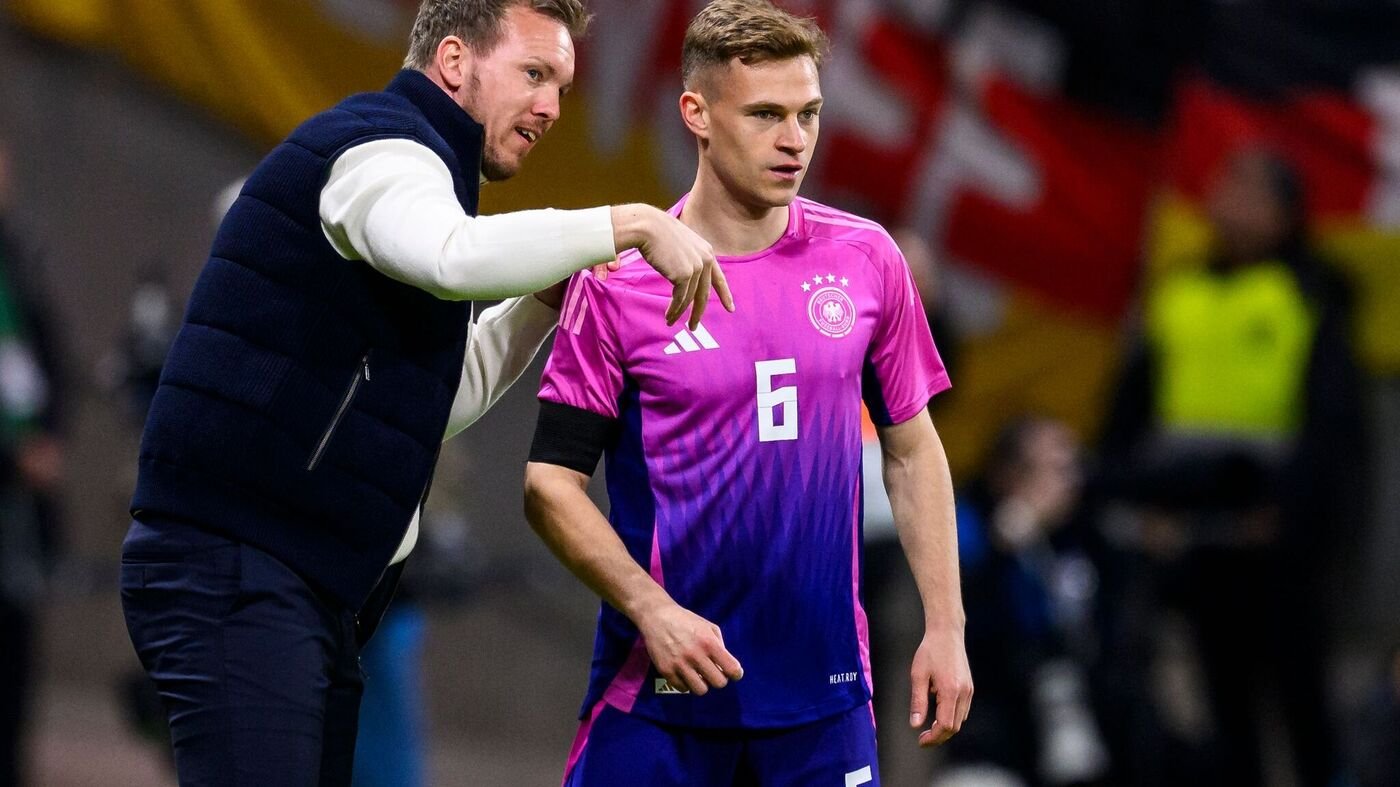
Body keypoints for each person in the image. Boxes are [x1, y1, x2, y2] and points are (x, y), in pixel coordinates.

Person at [119, 1, 737, 784]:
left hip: (299, 586)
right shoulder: (383, 150)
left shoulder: (428, 178)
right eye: (534, 73)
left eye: (560, 86)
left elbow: (430, 405)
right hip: (241, 570)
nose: (551, 106)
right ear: (452, 62)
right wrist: (629, 221)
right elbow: (451, 257)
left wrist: (542, 300)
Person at [522, 2, 972, 784]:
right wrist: (652, 609)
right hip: (658, 703)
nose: (794, 139)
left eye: (809, 114)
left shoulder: (868, 260)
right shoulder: (618, 282)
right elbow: (549, 485)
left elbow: (912, 448)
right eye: (765, 114)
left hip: (824, 706)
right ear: (696, 113)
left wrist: (947, 625)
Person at [1098, 147, 1363, 787]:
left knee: (1302, 707)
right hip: (1190, 539)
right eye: (1224, 182)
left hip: (1274, 540)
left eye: (1247, 187)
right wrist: (1127, 499)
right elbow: (1129, 411)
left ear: (1284, 213)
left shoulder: (1309, 294)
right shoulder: (1179, 290)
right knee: (1221, 710)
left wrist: (1295, 519)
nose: (1225, 196)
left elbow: (1333, 428)